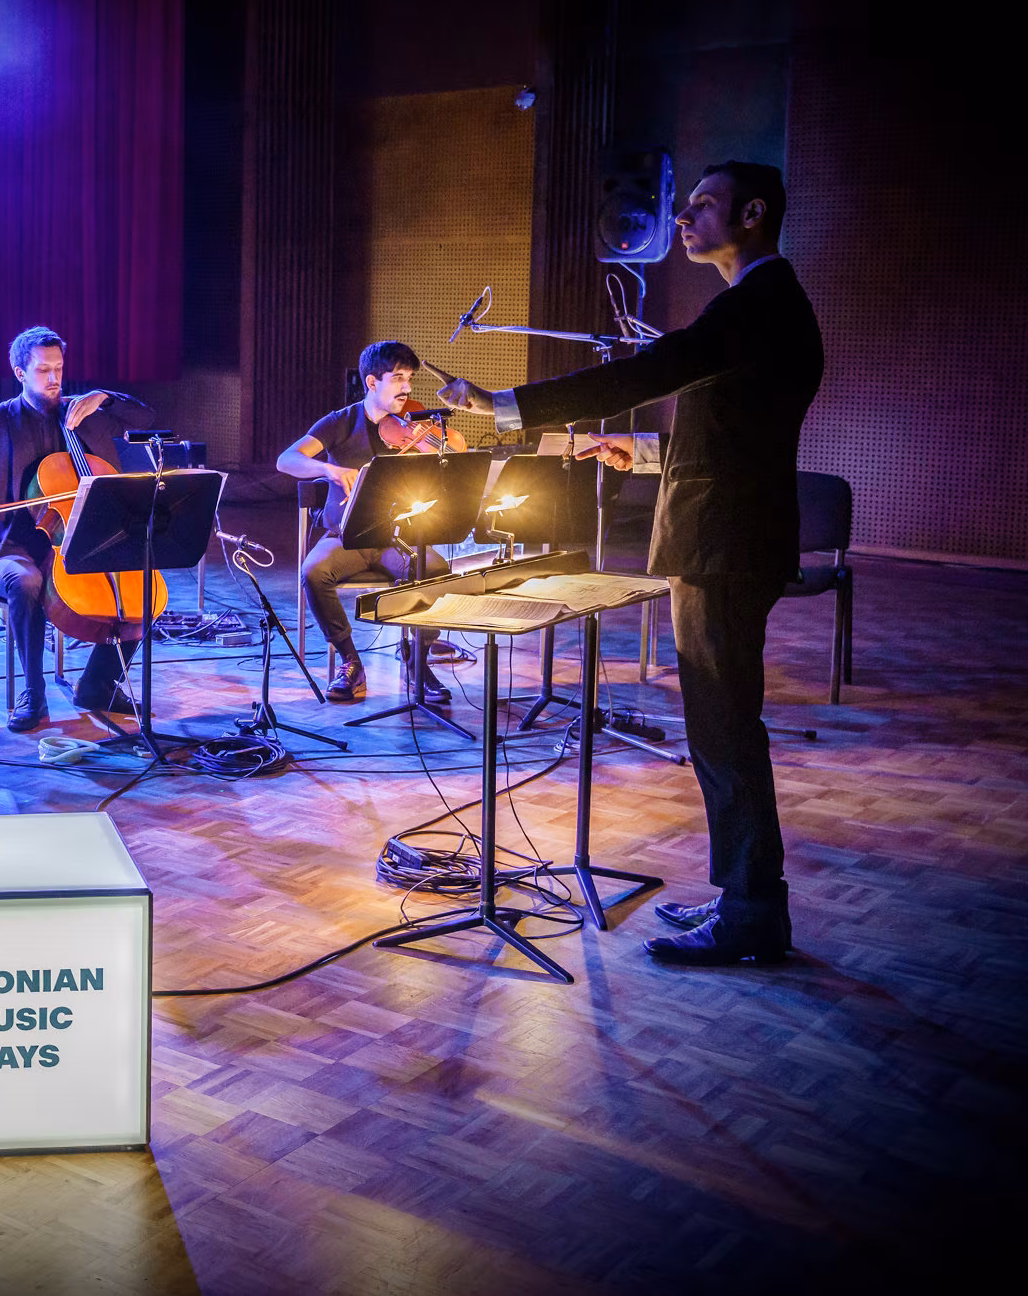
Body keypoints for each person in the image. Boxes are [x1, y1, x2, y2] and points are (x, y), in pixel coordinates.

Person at [439, 161, 821, 967]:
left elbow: (647, 372)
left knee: (724, 727)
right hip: (730, 536)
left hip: (722, 545)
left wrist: (505, 407)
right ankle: (745, 898)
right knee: (722, 725)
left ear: (753, 214)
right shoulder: (768, 305)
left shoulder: (756, 302)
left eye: (703, 205)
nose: (684, 218)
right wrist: (642, 453)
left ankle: (752, 913)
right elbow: (732, 434)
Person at [0, 326, 153, 733]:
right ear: (20, 373)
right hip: (10, 546)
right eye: (43, 370)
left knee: (142, 586)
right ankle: (33, 692)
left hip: (79, 542)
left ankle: (98, 683)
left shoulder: (82, 414)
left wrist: (103, 397)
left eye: (59, 368)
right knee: (27, 582)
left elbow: (145, 418)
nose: (54, 379)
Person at [275, 340, 461, 704]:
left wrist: (429, 448)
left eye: (409, 378)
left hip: (399, 538)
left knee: (438, 571)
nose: (407, 388)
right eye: (398, 378)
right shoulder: (341, 422)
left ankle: (418, 660)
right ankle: (351, 661)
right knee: (313, 573)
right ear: (372, 382)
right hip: (347, 536)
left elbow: (454, 459)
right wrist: (329, 469)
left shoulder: (414, 424)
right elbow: (286, 459)